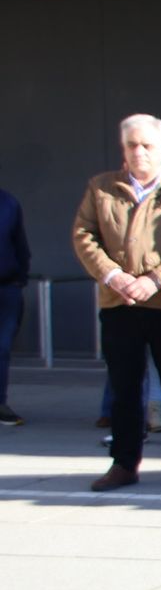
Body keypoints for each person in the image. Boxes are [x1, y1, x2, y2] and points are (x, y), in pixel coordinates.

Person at [72, 114, 161, 491]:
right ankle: (124, 463)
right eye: (132, 145)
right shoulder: (101, 188)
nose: (139, 152)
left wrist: (154, 280)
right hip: (118, 304)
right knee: (124, 386)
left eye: (147, 145)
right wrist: (115, 277)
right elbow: (85, 235)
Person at [0, 181, 29, 427]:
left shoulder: (8, 203)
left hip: (6, 287)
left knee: (2, 348)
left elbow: (20, 243)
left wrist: (21, 278)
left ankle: (0, 402)